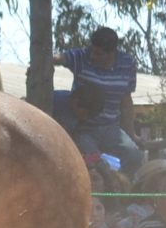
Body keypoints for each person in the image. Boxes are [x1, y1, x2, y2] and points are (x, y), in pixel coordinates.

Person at [58, 26, 144, 170]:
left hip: (111, 127)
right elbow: (58, 58)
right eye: (92, 51)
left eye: (98, 53)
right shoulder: (82, 57)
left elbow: (126, 101)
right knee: (95, 163)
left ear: (111, 53)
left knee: (134, 155)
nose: (92, 56)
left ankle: (124, 187)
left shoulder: (127, 63)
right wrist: (40, 66)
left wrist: (132, 133)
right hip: (84, 128)